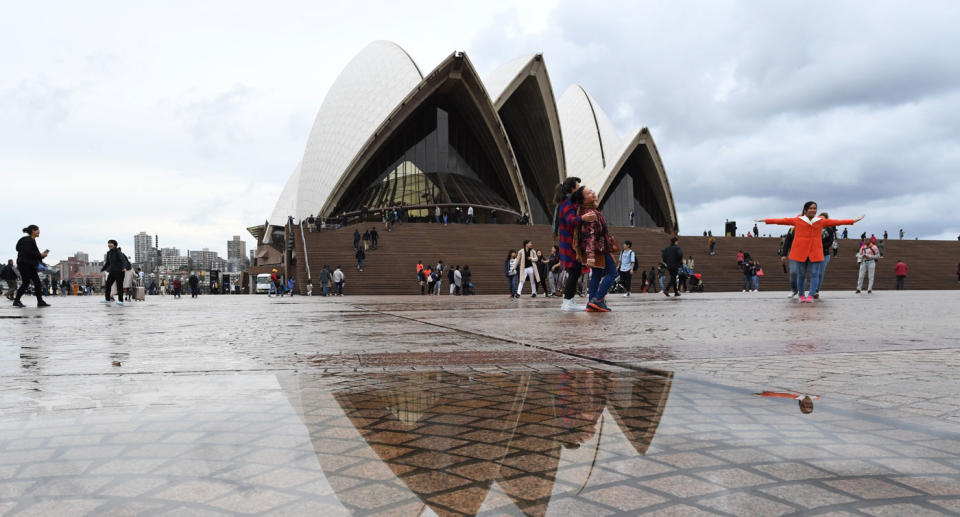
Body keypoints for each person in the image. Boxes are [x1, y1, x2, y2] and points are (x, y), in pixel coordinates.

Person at [756, 202, 863, 302]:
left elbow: (837, 222)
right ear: (805, 210)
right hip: (801, 252)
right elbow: (781, 221)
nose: (813, 210)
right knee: (801, 275)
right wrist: (765, 220)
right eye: (811, 208)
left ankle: (811, 295)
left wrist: (853, 221)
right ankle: (801, 295)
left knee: (815, 274)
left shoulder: (820, 221)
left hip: (815, 251)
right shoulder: (798, 220)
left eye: (815, 208)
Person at [554, 177, 596, 312]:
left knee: (574, 272)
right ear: (572, 188)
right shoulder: (566, 203)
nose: (579, 188)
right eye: (578, 186)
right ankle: (568, 302)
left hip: (569, 243)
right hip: (569, 244)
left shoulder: (568, 202)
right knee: (574, 272)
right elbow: (570, 220)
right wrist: (582, 218)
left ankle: (568, 302)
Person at [573, 187, 618, 312]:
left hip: (598, 248)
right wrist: (590, 255)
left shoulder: (590, 210)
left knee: (597, 275)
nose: (592, 192)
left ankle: (591, 304)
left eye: (592, 190)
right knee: (612, 273)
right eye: (588, 193)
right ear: (583, 199)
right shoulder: (591, 213)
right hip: (600, 249)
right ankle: (598, 300)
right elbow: (590, 235)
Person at [12, 225, 49, 308]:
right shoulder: (28, 240)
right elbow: (28, 252)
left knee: (37, 283)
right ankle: (16, 301)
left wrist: (41, 256)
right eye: (38, 230)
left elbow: (31, 254)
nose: (39, 231)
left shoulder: (31, 240)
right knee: (26, 283)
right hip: (25, 264)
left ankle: (40, 301)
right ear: (33, 231)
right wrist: (40, 255)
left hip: (29, 264)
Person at [812, 212, 837, 299]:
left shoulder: (830, 230)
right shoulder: (814, 228)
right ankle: (813, 290)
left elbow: (830, 242)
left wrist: (820, 246)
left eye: (823, 219)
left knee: (820, 273)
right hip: (814, 253)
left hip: (824, 254)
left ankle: (816, 290)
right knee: (814, 272)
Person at [100, 239, 128, 306]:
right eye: (108, 243)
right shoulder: (109, 253)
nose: (109, 244)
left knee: (119, 286)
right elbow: (108, 263)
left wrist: (124, 267)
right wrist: (102, 269)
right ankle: (107, 299)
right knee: (108, 285)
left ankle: (120, 300)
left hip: (120, 271)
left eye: (111, 243)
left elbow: (123, 260)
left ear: (115, 245)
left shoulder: (118, 252)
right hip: (112, 271)